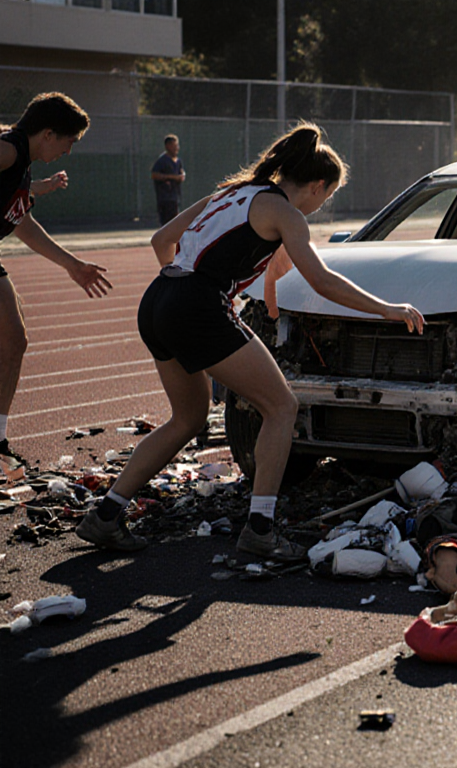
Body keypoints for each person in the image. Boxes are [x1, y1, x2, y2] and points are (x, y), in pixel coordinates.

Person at [75, 124, 426, 556]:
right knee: (281, 407)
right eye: (327, 196)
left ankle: (106, 514)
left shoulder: (231, 192)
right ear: (317, 186)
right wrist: (388, 309)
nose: (322, 206)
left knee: (187, 419)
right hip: (196, 305)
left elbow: (161, 240)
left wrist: (186, 294)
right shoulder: (286, 215)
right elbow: (322, 281)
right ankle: (260, 529)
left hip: (158, 298)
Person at [0, 93, 112, 465]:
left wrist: (72, 265)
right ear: (48, 133)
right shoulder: (10, 151)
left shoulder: (22, 163)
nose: (68, 151)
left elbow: (22, 224)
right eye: (69, 142)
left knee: (14, 340)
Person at [151, 133, 185, 225]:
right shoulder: (162, 161)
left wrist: (182, 175)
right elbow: (154, 175)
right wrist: (171, 177)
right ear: (168, 146)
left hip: (174, 197)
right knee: (167, 224)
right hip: (164, 199)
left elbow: (181, 172)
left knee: (175, 223)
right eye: (174, 146)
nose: (176, 148)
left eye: (177, 145)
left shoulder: (178, 161)